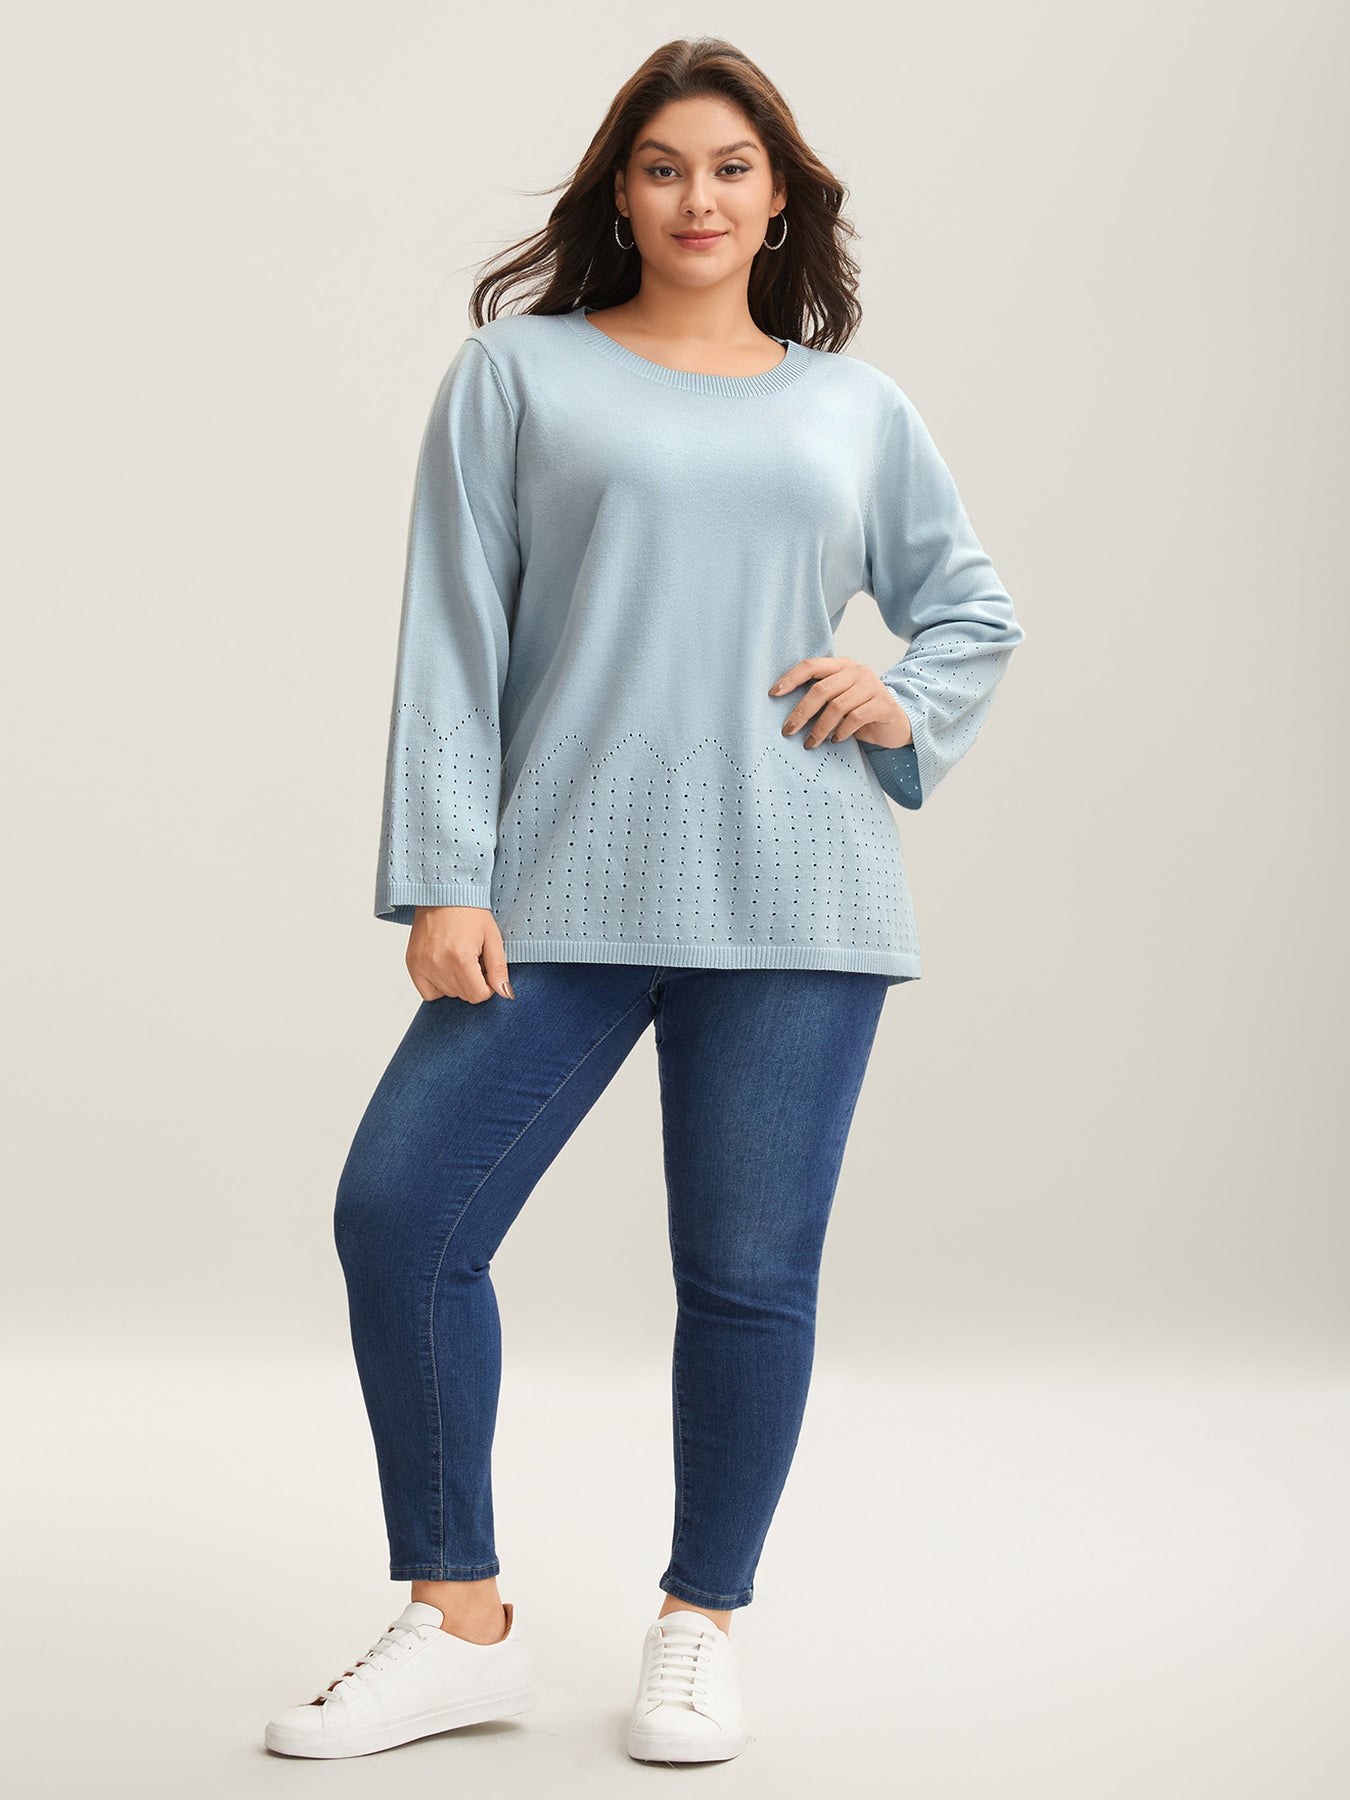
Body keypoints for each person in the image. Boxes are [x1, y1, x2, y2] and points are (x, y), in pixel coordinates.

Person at [263, 33, 1025, 1767]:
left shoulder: (853, 406)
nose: (698, 197)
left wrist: (902, 695)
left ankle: (698, 1627)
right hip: (557, 888)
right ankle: (458, 1623)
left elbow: (970, 607)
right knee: (402, 1213)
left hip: (800, 891)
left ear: (780, 199)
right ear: (621, 190)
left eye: (731, 169)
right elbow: (452, 634)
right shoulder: (517, 374)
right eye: (666, 166)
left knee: (747, 1275)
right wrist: (441, 877)